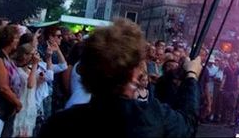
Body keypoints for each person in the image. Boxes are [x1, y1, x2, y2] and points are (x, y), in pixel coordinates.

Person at [39, 20, 201, 138]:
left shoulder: (58, 125)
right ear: (133, 72)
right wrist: (191, 76)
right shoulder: (152, 117)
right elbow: (188, 123)